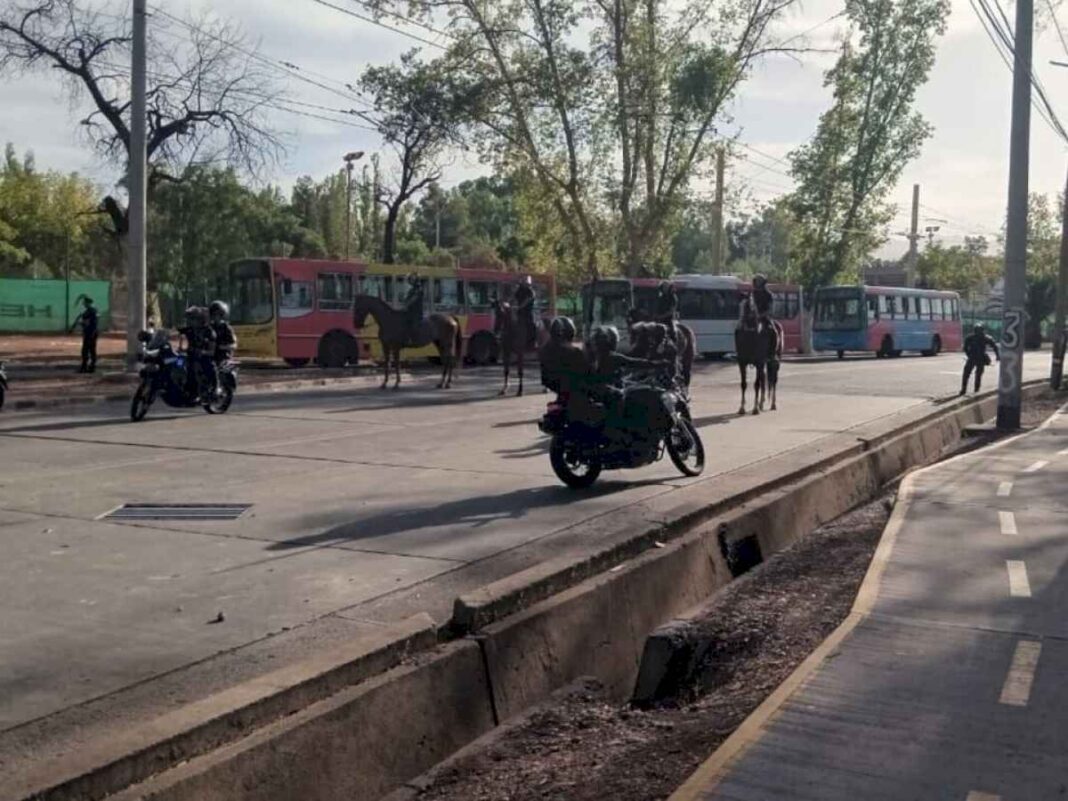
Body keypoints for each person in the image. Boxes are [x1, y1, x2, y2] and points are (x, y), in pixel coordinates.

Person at [179, 306, 217, 401]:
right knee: (178, 364)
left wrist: (202, 351)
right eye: (189, 319)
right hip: (189, 354)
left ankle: (213, 390)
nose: (190, 321)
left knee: (206, 366)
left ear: (201, 319)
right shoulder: (189, 330)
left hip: (204, 355)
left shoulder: (209, 332)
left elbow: (212, 350)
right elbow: (174, 333)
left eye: (193, 319)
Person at [960, 324, 1000, 396]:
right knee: (973, 374)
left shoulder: (977, 338)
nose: (979, 333)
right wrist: (997, 356)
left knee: (972, 374)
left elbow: (995, 346)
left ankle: (968, 389)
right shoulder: (981, 337)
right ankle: (969, 389)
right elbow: (995, 346)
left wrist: (998, 356)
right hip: (976, 357)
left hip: (977, 357)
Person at [209, 300, 237, 381]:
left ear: (222, 315)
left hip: (223, 356)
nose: (215, 317)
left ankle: (220, 385)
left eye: (217, 314)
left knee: (223, 370)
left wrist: (222, 347)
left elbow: (234, 345)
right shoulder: (208, 328)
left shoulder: (226, 328)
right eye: (213, 314)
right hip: (210, 355)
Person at [70, 296, 99, 373]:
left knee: (88, 350)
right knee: (88, 350)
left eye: (85, 303)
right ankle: (87, 366)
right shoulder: (89, 311)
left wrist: (81, 323)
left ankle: (88, 367)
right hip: (89, 333)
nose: (84, 304)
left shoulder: (91, 311)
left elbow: (91, 323)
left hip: (91, 333)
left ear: (88, 303)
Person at [513, 275, 537, 349]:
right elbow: (514, 297)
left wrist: (519, 307)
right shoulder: (519, 290)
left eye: (526, 283)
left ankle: (531, 343)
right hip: (519, 312)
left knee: (531, 325)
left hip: (527, 312)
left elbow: (527, 301)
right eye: (523, 282)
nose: (524, 284)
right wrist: (509, 303)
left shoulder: (531, 292)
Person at [402, 273, 425, 346]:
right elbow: (407, 298)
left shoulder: (419, 289)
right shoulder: (412, 289)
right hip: (410, 311)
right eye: (410, 279)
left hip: (416, 312)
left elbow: (414, 299)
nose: (410, 281)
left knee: (413, 325)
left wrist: (407, 305)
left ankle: (413, 340)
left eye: (412, 279)